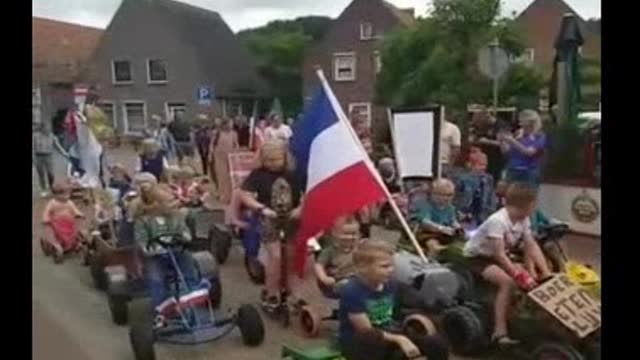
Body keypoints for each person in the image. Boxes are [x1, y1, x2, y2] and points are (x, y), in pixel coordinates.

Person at [463, 183, 552, 346]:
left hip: (500, 255)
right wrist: (518, 275)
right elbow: (498, 254)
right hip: (479, 258)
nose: (534, 208)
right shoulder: (497, 221)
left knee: (534, 274)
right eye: (533, 204)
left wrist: (541, 272)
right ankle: (499, 332)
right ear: (527, 205)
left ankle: (526, 315)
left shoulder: (523, 219)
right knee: (507, 282)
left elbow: (530, 245)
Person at [339, 240, 449, 360]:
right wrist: (400, 339)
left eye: (392, 265)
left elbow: (401, 312)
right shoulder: (352, 290)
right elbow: (365, 330)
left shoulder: (391, 284)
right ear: (363, 267)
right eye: (384, 266)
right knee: (372, 338)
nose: (391, 270)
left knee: (435, 342)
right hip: (361, 343)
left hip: (389, 332)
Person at [238, 140, 304, 312]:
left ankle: (293, 292)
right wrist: (260, 208)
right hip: (269, 218)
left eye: (276, 159)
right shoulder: (258, 174)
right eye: (268, 160)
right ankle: (271, 292)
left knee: (291, 256)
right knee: (275, 256)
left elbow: (309, 194)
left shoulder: (294, 173)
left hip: (292, 218)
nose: (272, 164)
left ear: (284, 157)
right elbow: (245, 194)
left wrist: (300, 209)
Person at [134, 184, 208, 328]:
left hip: (177, 251)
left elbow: (185, 232)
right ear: (155, 205)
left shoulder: (176, 216)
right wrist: (155, 248)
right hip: (155, 256)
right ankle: (162, 309)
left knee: (187, 263)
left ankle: (192, 294)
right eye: (169, 202)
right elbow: (142, 243)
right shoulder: (143, 221)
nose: (174, 204)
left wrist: (184, 238)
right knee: (156, 279)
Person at [315, 216, 360, 298]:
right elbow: (319, 265)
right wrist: (324, 278)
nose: (350, 237)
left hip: (354, 279)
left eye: (354, 234)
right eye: (345, 234)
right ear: (334, 233)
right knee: (348, 285)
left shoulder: (358, 248)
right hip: (335, 282)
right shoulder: (330, 251)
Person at [414, 179, 462, 254]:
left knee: (459, 239)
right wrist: (440, 228)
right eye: (444, 195)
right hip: (428, 233)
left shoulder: (450, 208)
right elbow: (425, 222)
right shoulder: (427, 206)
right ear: (434, 194)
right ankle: (434, 253)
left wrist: (458, 227)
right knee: (431, 242)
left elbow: (452, 220)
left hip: (445, 233)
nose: (447, 198)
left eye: (450, 195)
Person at [500, 110, 546, 187]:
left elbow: (529, 152)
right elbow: (507, 152)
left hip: (528, 171)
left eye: (523, 118)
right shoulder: (518, 134)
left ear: (531, 121)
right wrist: (502, 141)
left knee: (527, 196)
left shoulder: (539, 136)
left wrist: (512, 141)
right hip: (512, 170)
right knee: (509, 196)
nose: (519, 120)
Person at [41, 182, 85, 261]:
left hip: (69, 221)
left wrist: (79, 214)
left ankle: (73, 243)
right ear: (56, 195)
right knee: (59, 233)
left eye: (67, 194)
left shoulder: (69, 202)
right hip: (57, 222)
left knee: (74, 230)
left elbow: (74, 209)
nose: (66, 197)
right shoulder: (52, 203)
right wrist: (45, 218)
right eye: (63, 195)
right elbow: (46, 211)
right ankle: (58, 244)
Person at [468, 107, 505, 183]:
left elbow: (503, 144)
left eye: (480, 122)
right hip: (483, 160)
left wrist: (488, 141)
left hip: (497, 160)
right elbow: (475, 137)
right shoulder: (481, 127)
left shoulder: (500, 126)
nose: (479, 125)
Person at [33, 123, 67, 198]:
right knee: (41, 174)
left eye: (48, 129)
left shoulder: (52, 136)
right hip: (38, 156)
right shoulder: (35, 136)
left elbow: (58, 146)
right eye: (46, 129)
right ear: (42, 129)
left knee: (50, 173)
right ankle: (43, 189)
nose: (47, 130)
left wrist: (65, 153)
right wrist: (34, 158)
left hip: (48, 155)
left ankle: (52, 187)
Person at [212, 118, 239, 204]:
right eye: (230, 124)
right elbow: (212, 144)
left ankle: (230, 196)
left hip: (230, 156)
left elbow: (236, 144)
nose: (231, 125)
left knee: (230, 176)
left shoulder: (234, 134)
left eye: (232, 124)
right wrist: (210, 155)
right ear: (225, 124)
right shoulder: (217, 133)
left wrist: (236, 154)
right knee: (222, 176)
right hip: (219, 156)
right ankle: (222, 195)